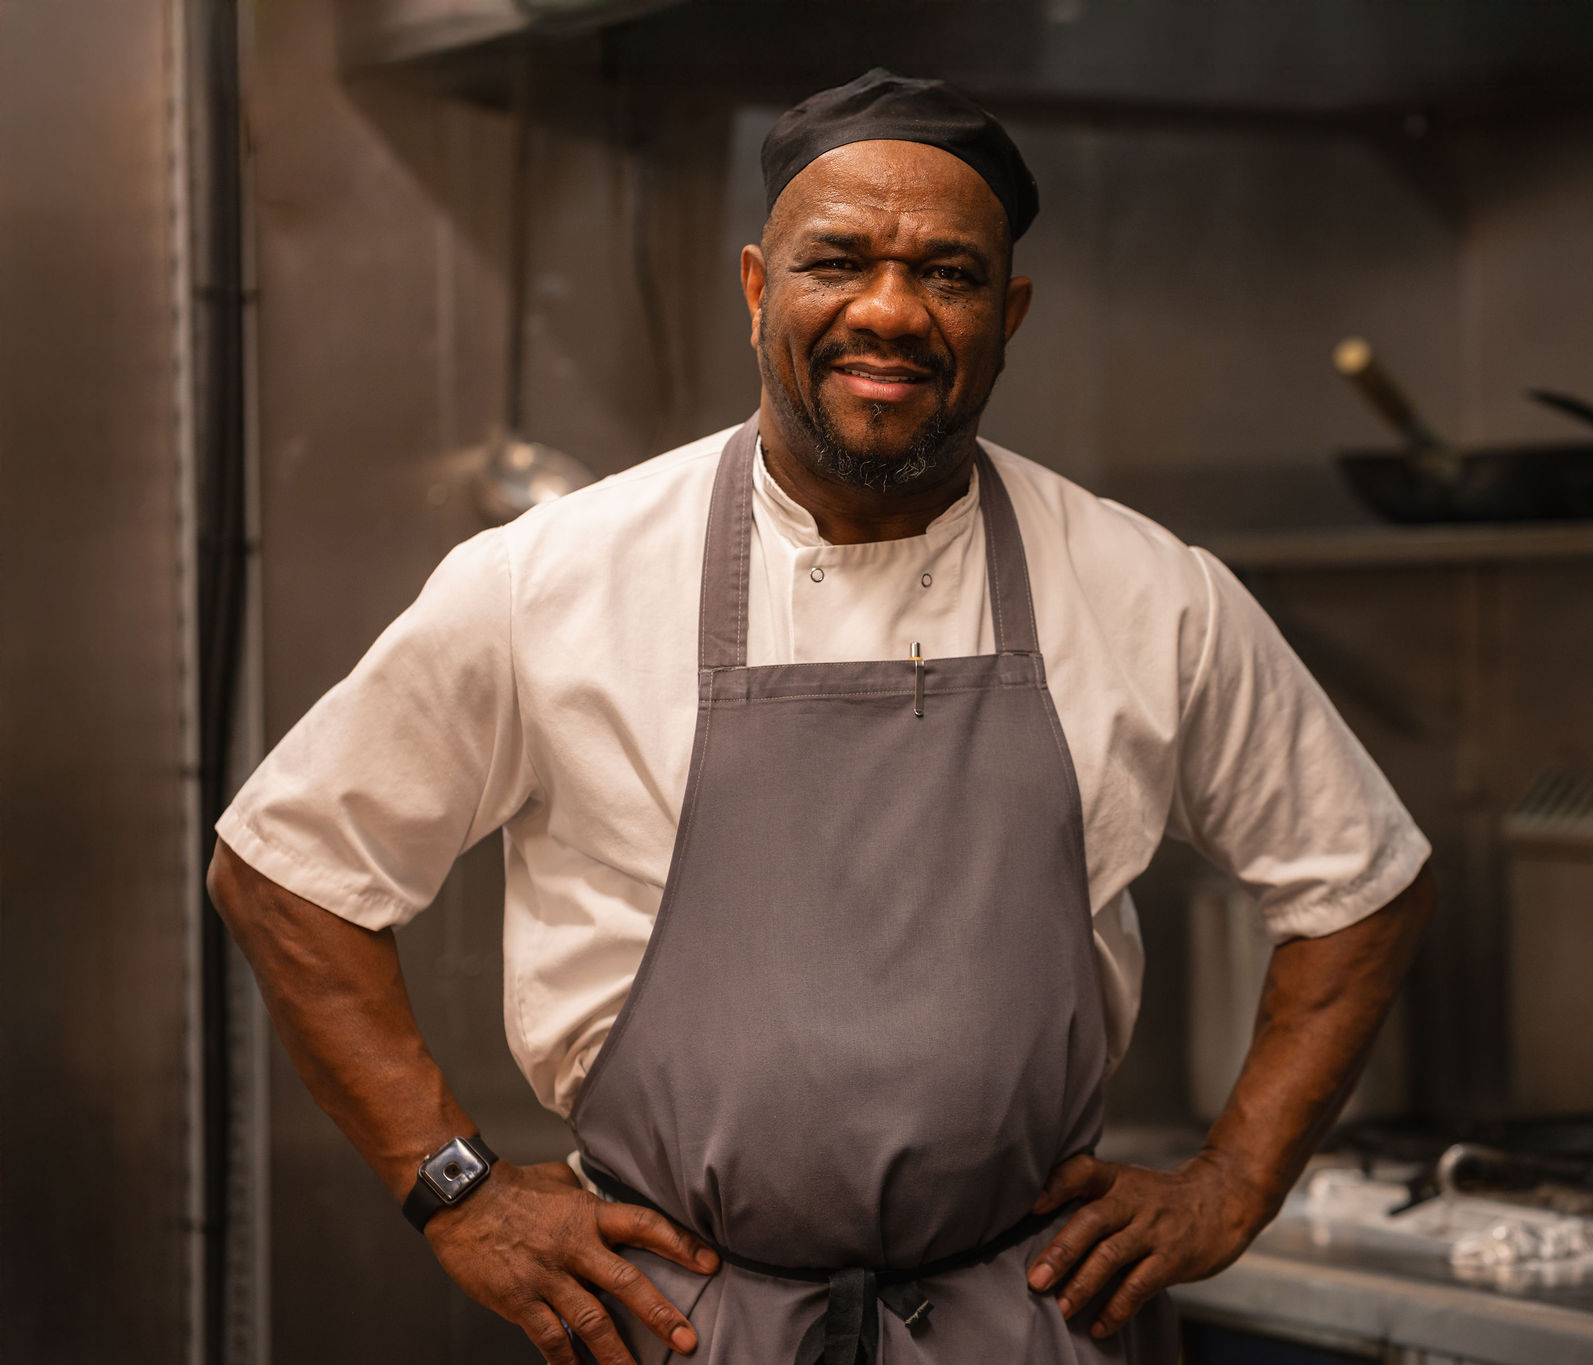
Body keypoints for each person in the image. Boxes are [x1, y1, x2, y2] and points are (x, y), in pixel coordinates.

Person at [209, 68, 1434, 1365]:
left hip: (1032, 1328)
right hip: (682, 1329)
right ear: (756, 290)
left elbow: (1363, 882)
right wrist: (457, 1187)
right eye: (837, 260)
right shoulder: (554, 579)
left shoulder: (1149, 592)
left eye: (948, 273)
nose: (890, 310)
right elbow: (289, 876)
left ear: (1008, 312)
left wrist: (1233, 1180)